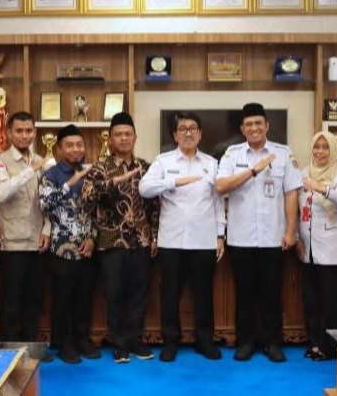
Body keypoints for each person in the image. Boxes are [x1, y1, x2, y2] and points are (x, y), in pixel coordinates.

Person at [216, 102, 301, 363]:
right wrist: (254, 170)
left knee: (272, 294)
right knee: (244, 294)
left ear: (267, 126)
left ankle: (272, 343)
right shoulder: (232, 154)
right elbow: (221, 186)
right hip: (241, 237)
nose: (254, 128)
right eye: (249, 124)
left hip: (273, 237)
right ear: (242, 129)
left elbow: (291, 194)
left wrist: (291, 231)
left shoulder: (283, 154)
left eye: (258, 123)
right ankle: (246, 343)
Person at [139, 112, 225, 362]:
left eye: (193, 128)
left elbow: (218, 201)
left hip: (203, 239)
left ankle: (204, 340)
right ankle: (170, 341)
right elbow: (144, 188)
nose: (188, 133)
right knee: (170, 293)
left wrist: (220, 235)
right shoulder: (163, 161)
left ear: (200, 134)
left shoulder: (212, 163)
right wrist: (175, 181)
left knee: (203, 293)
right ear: (175, 135)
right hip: (172, 240)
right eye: (183, 129)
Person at [82, 112, 160, 363]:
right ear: (110, 139)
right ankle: (119, 344)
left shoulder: (146, 167)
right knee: (115, 294)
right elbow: (87, 199)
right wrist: (114, 181)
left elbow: (155, 205)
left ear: (135, 137)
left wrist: (154, 236)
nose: (124, 138)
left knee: (139, 293)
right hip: (111, 241)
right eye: (119, 134)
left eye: (128, 134)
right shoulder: (100, 168)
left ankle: (135, 340)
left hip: (142, 239)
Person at [39, 124, 101, 364]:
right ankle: (64, 344)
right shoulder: (51, 175)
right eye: (70, 145)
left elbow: (96, 211)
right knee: (62, 299)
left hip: (86, 248)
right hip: (61, 249)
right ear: (59, 149)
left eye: (79, 145)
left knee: (85, 297)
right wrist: (70, 182)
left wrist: (92, 238)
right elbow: (45, 205)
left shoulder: (91, 173)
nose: (76, 149)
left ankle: (82, 339)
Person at [0, 112, 51, 344]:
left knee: (34, 300)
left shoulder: (41, 160)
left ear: (34, 132)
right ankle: (11, 350)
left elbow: (49, 200)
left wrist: (47, 229)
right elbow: (1, 193)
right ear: (8, 133)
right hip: (12, 243)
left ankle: (31, 348)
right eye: (19, 131)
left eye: (29, 131)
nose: (24, 136)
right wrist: (30, 170)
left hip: (38, 241)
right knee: (11, 302)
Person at [297, 131, 337, 361]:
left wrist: (324, 188)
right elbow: (298, 208)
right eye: (317, 147)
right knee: (312, 301)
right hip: (309, 249)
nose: (320, 151)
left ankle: (331, 347)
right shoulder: (304, 173)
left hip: (335, 251)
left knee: (333, 303)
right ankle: (315, 343)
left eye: (325, 147)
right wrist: (297, 237)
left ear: (333, 150)